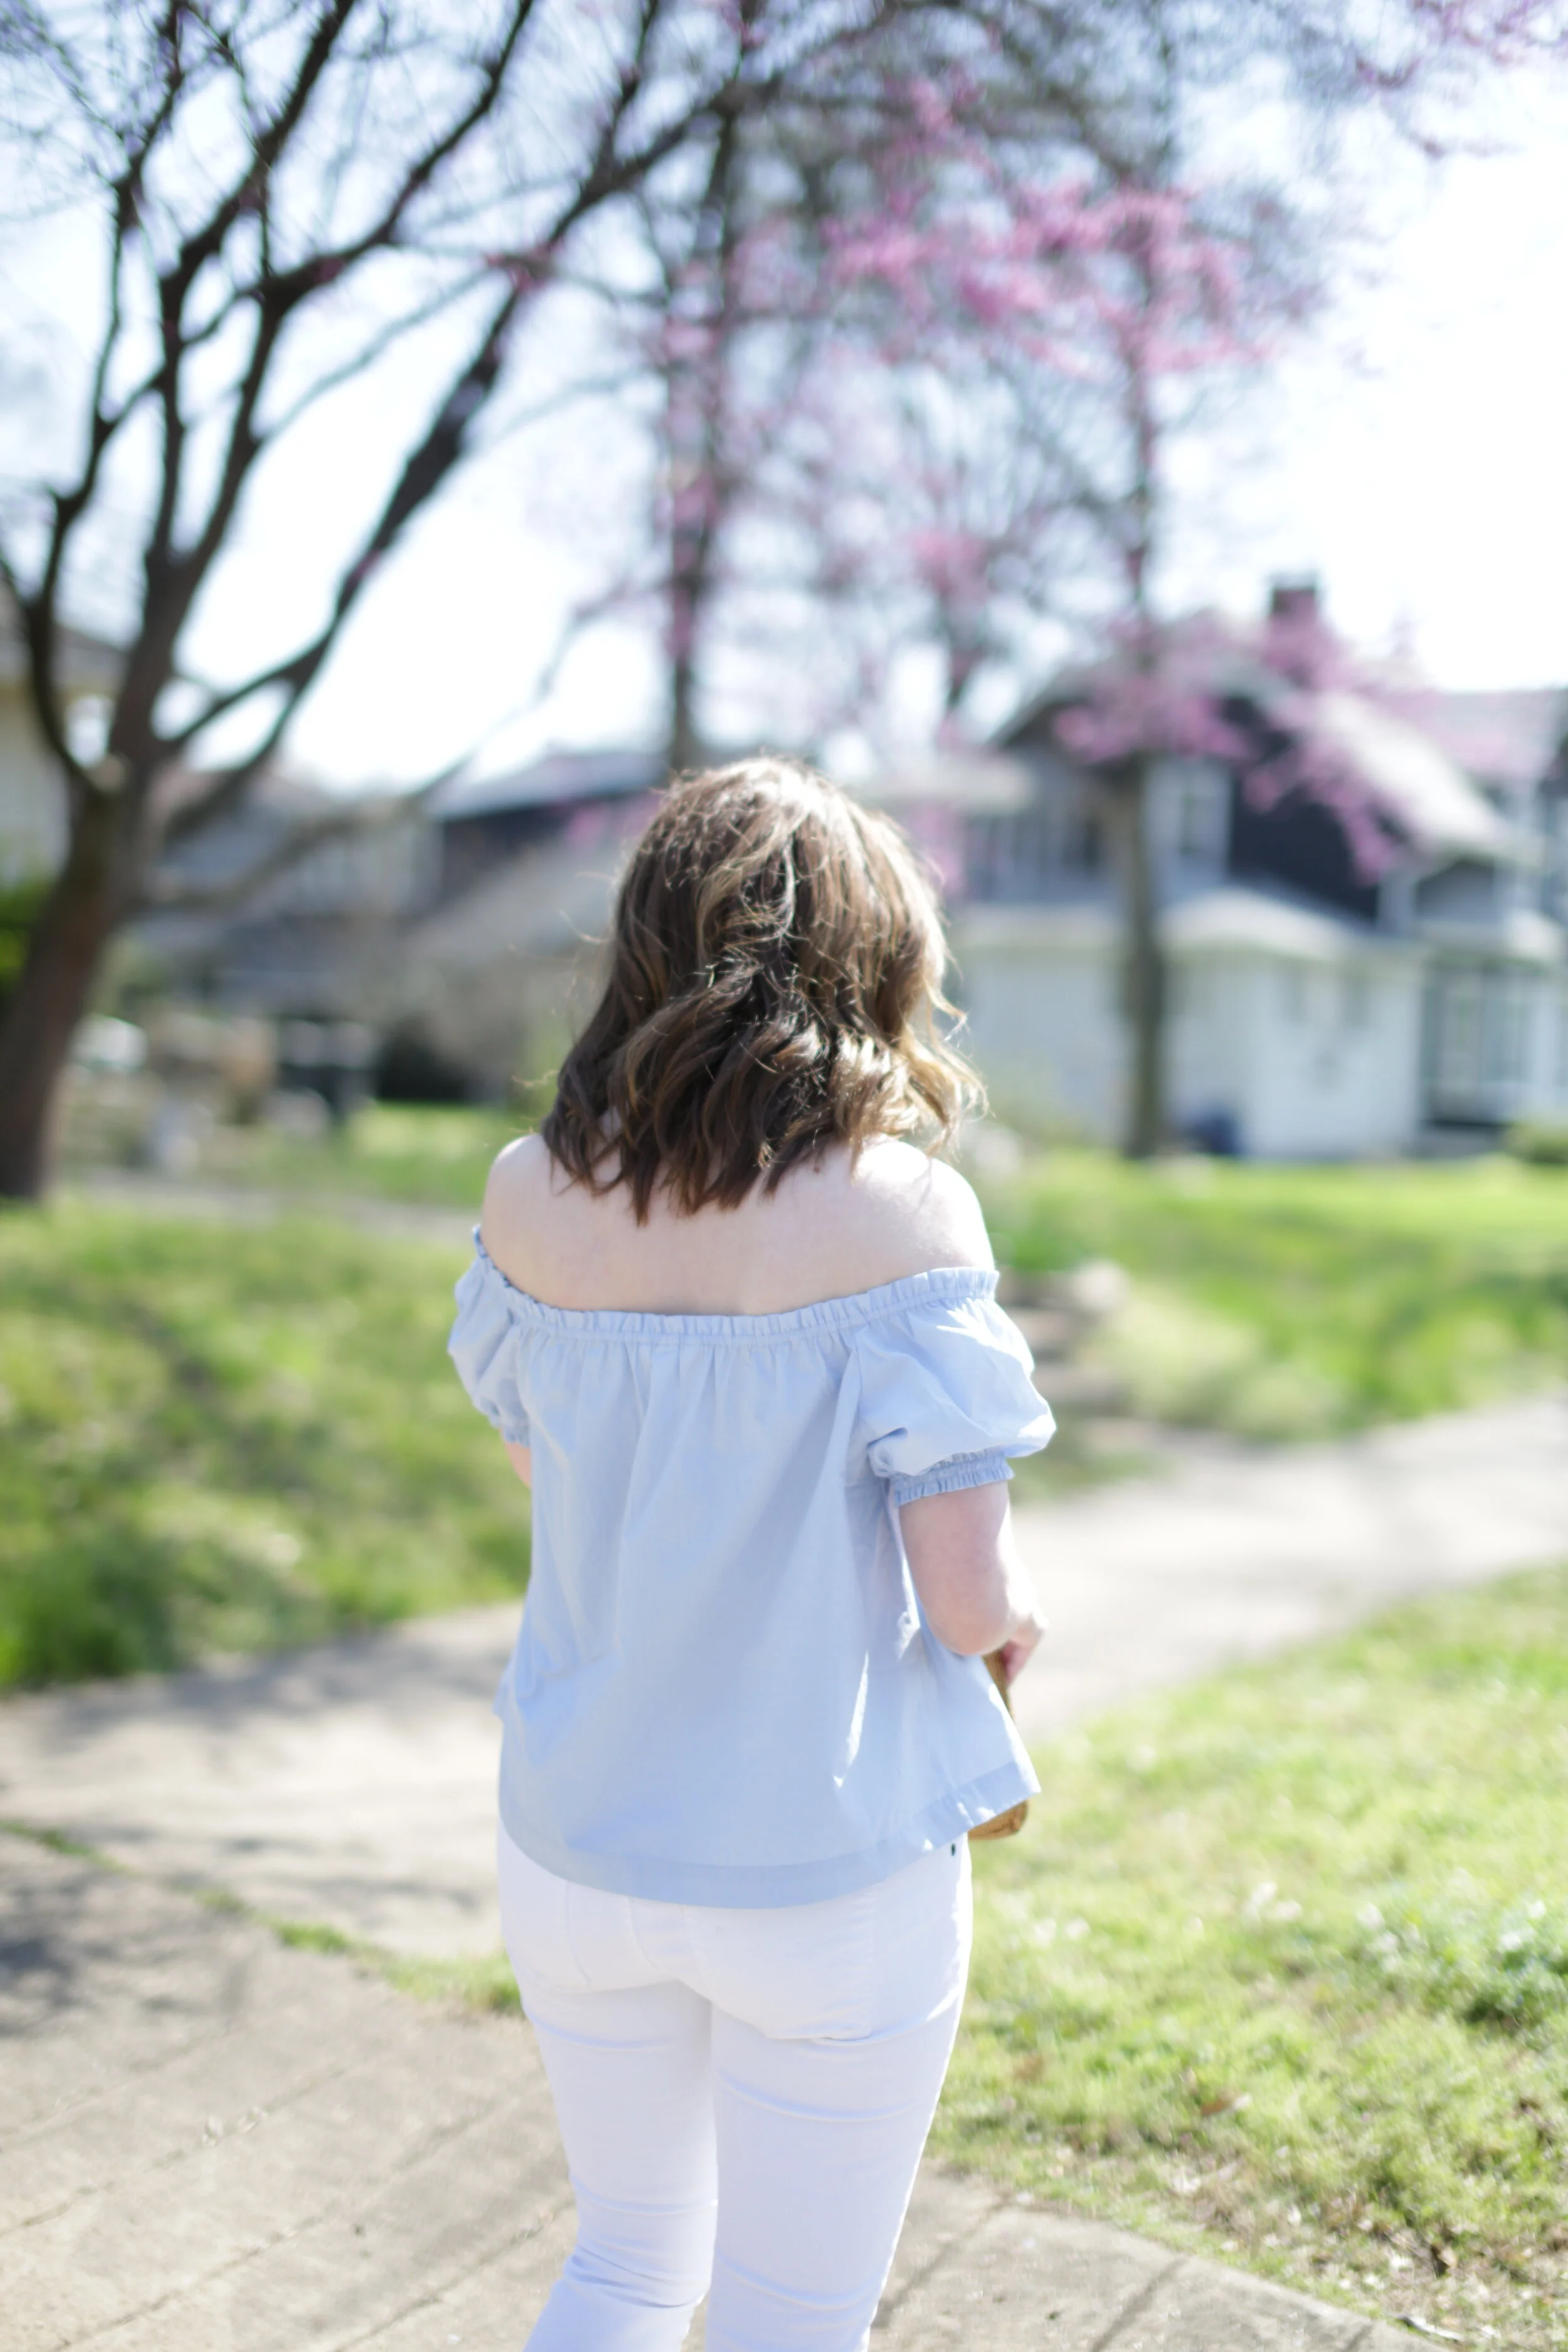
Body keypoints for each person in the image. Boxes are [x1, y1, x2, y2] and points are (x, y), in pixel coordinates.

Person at [449, 756, 1052, 2352]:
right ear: (877, 964)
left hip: (575, 1839)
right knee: (796, 2317)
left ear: (642, 945)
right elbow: (966, 1597)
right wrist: (1017, 1634)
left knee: (629, 2266)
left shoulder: (527, 1199)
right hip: (822, 1862)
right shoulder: (907, 1217)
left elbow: (558, 1473)